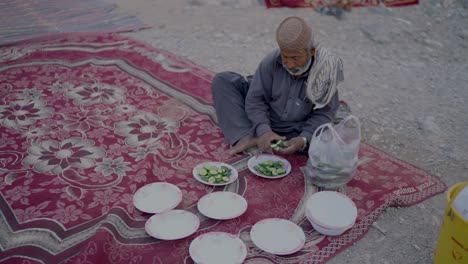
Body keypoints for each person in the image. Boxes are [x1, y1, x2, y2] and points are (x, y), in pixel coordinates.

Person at [212, 16, 344, 155]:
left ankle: (287, 141)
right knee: (223, 81)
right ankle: (247, 136)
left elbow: (324, 113)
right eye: (285, 57)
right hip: (267, 118)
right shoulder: (272, 61)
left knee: (331, 149)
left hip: (296, 128)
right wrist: (264, 130)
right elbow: (256, 99)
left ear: (310, 51)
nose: (289, 64)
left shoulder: (324, 72)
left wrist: (304, 138)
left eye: (295, 58)